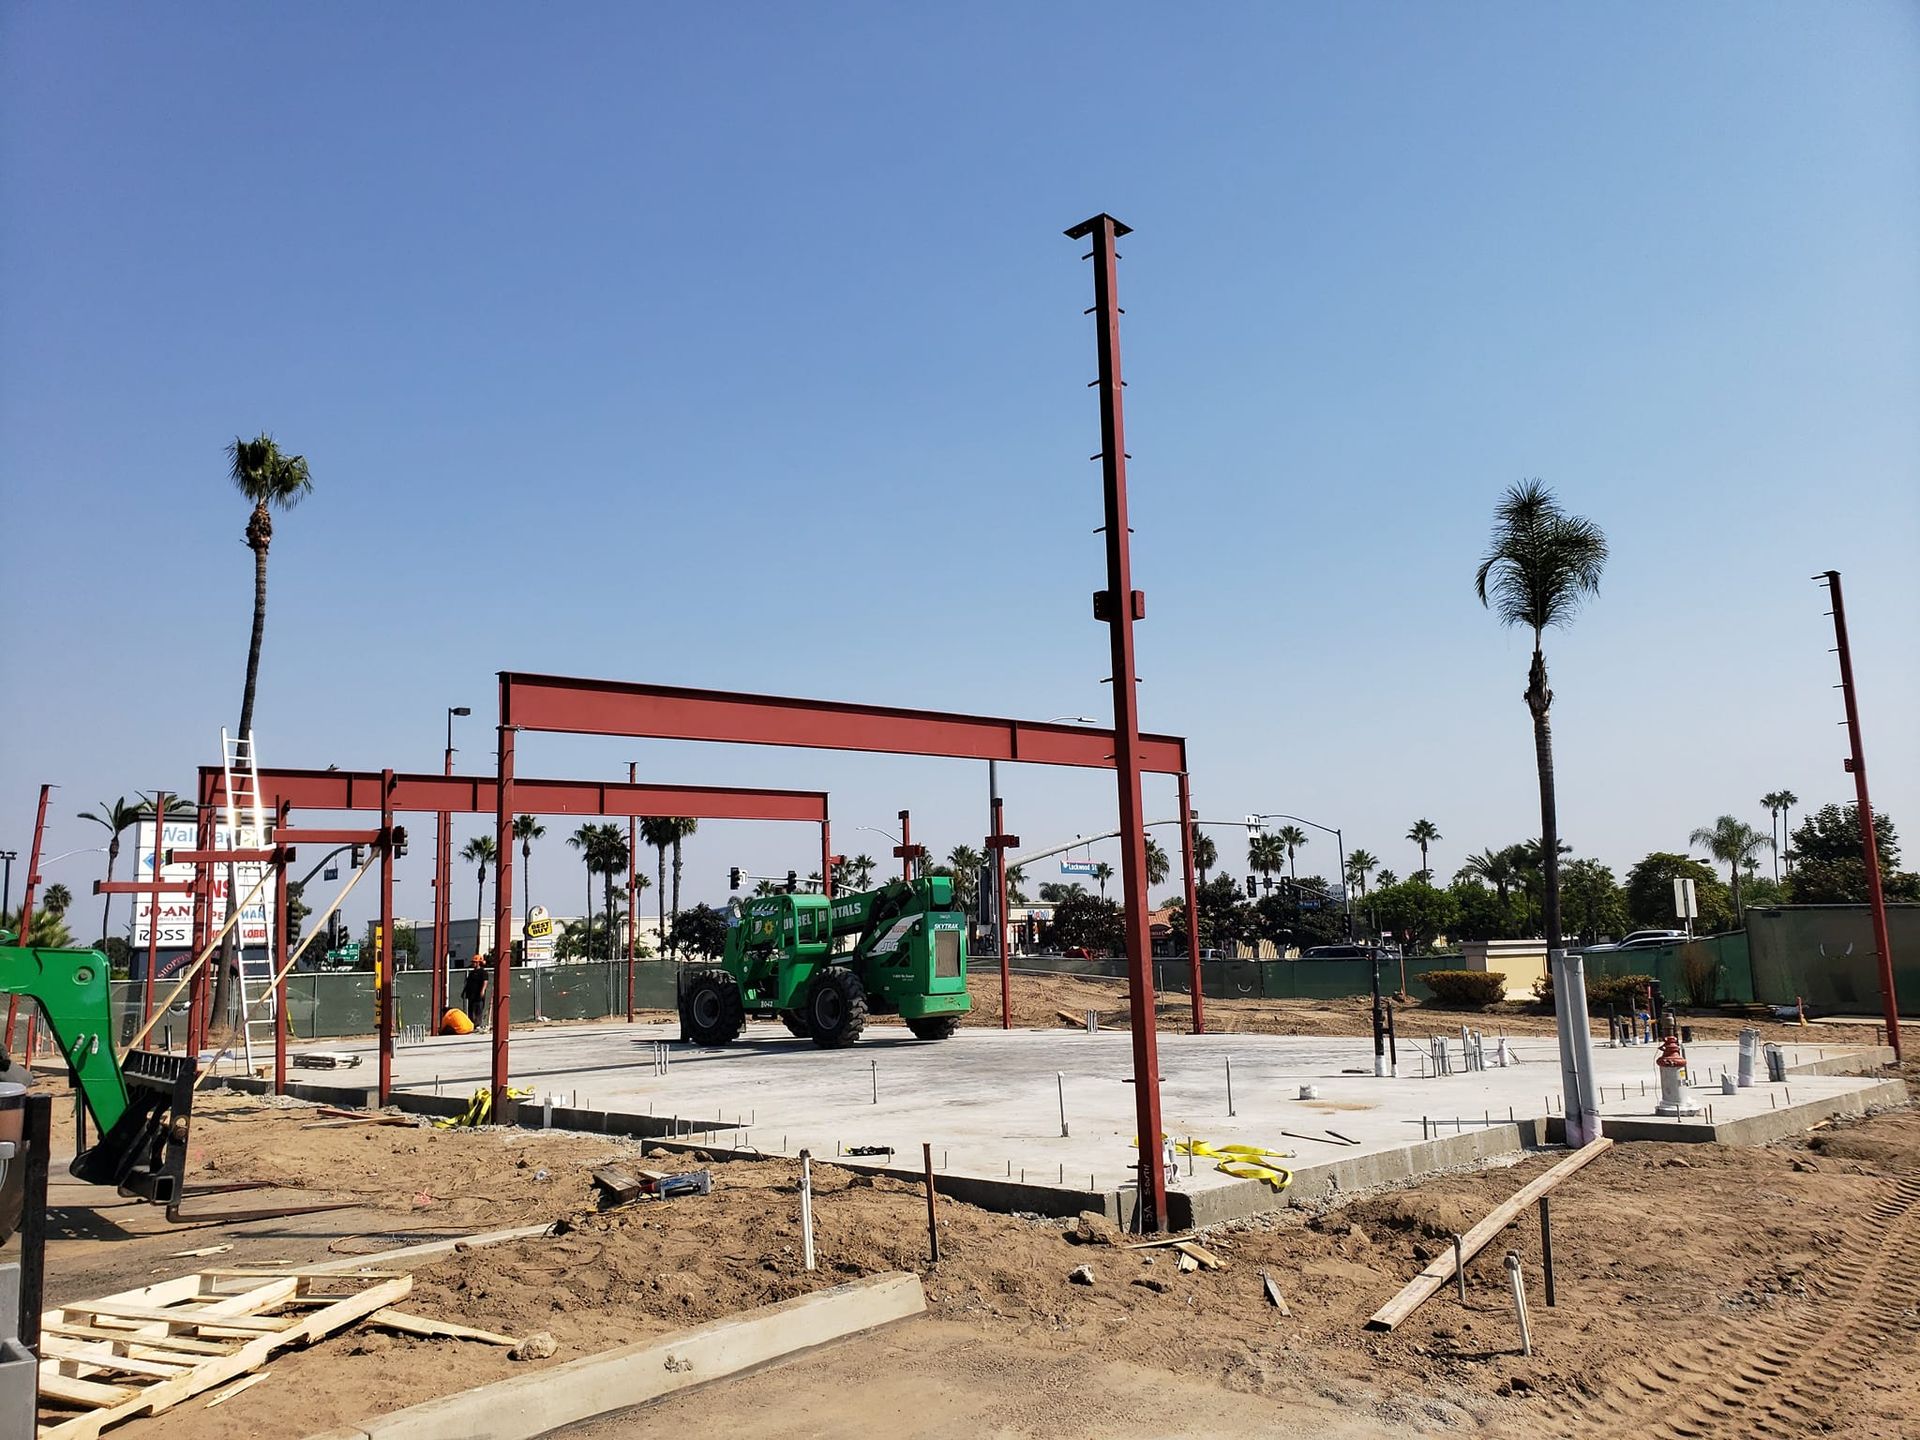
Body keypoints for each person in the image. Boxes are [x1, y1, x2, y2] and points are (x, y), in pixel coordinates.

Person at [462, 955, 489, 1030]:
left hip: (478, 995)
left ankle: (477, 1025)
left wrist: (482, 991)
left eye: (475, 962)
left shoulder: (483, 972)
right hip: (471, 995)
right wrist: (464, 992)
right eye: (473, 962)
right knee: (471, 1010)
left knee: (478, 1010)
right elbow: (468, 983)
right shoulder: (472, 973)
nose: (473, 963)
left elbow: (485, 982)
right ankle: (471, 1025)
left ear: (479, 963)